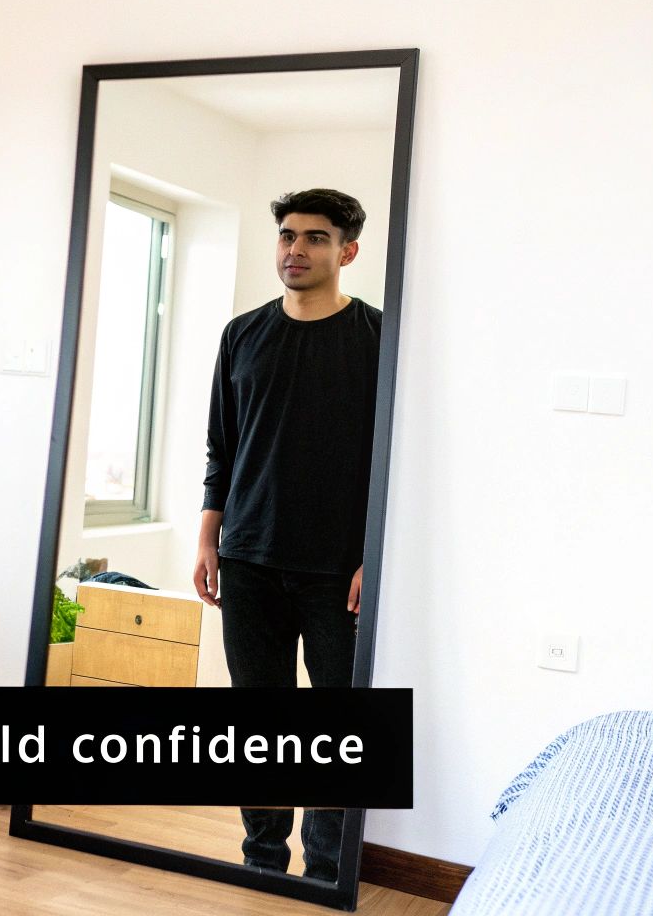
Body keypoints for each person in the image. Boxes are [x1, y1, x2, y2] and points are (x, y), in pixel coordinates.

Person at [192, 188, 381, 880]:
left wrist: (373, 557)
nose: (295, 249)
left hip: (338, 572)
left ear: (347, 251)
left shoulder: (378, 338)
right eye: (286, 236)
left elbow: (393, 461)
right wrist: (209, 539)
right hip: (248, 560)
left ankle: (327, 868)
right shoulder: (242, 334)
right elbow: (222, 448)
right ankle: (262, 860)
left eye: (314, 238)